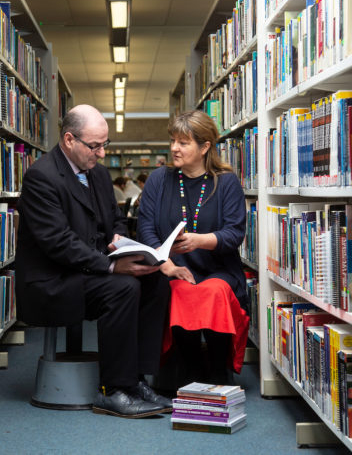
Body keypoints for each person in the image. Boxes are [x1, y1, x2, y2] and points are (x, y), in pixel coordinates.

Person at [15, 104, 172, 418]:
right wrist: (112, 265)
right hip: (52, 281)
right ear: (69, 139)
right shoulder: (41, 177)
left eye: (105, 145)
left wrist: (118, 240)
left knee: (156, 281)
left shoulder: (98, 175)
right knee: (123, 287)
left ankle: (137, 379)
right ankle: (114, 390)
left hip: (88, 272)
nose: (102, 154)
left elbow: (114, 219)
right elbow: (59, 243)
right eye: (95, 146)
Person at [137, 110, 249, 386]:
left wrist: (200, 240)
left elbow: (234, 234)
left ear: (205, 147)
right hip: (173, 267)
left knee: (214, 291)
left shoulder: (225, 182)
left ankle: (217, 367)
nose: (174, 148)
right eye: (173, 140)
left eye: (183, 142)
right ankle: (187, 366)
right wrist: (167, 266)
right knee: (179, 289)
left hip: (218, 269)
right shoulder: (159, 179)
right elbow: (146, 228)